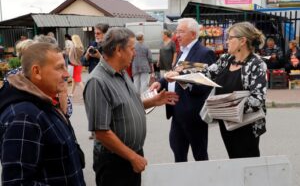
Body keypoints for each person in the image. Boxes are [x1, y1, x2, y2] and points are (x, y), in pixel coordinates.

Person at [83, 27, 179, 186]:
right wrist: (132, 157)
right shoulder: (97, 82)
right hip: (115, 162)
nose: (135, 53)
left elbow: (127, 105)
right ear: (119, 50)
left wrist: (153, 101)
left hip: (129, 155)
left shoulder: (121, 72)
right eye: (132, 49)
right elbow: (101, 132)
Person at [163, 22, 268, 159]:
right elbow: (205, 72)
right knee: (233, 160)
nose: (227, 41)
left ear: (242, 41)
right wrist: (179, 75)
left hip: (247, 126)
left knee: (248, 165)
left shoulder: (256, 64)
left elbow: (258, 100)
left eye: (230, 38)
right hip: (227, 123)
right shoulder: (226, 60)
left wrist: (226, 106)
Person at [0, 42, 85, 185]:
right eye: (59, 68)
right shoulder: (24, 117)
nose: (66, 74)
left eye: (65, 66)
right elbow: (17, 182)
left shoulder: (43, 100)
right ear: (37, 72)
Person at [150, 18, 216, 162]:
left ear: (193, 34)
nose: (177, 35)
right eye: (176, 31)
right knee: (178, 153)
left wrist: (181, 78)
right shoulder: (182, 51)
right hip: (176, 112)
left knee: (200, 156)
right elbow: (176, 72)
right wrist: (160, 83)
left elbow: (205, 84)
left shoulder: (205, 53)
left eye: (181, 32)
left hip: (193, 114)